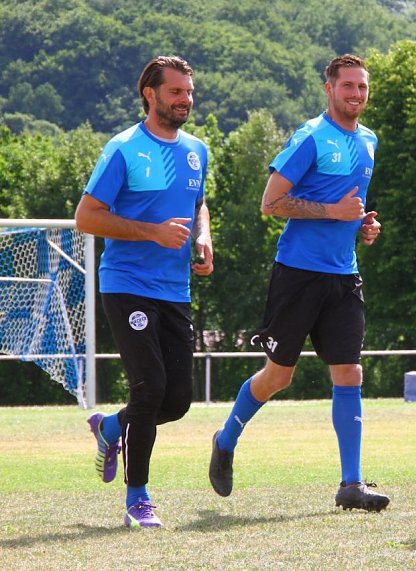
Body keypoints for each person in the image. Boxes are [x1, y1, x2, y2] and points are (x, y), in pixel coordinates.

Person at [207, 54, 388, 512]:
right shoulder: (311, 137)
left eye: (362, 87)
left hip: (344, 276)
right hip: (298, 274)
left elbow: (349, 207)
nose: (356, 94)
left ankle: (351, 484)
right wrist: (332, 212)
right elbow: (271, 203)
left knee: (349, 372)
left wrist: (363, 225)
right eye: (348, 86)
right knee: (279, 376)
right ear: (329, 89)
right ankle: (226, 439)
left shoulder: (369, 141)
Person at [75, 55, 214, 529]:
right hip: (127, 284)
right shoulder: (124, 148)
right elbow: (87, 217)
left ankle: (111, 426)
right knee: (149, 388)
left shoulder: (196, 149)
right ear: (149, 95)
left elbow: (199, 203)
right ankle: (138, 498)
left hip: (175, 290)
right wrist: (152, 232)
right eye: (176, 92)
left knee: (175, 402)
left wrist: (203, 237)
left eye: (189, 92)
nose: (185, 100)